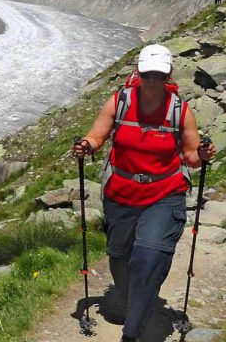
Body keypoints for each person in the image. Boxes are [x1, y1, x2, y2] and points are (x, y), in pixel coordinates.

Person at [71, 44, 217, 342]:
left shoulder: (180, 111)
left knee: (149, 254)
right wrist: (86, 146)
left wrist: (202, 155)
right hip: (121, 195)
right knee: (119, 255)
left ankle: (133, 330)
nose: (152, 81)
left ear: (168, 77)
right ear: (138, 73)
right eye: (148, 74)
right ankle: (131, 295)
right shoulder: (119, 103)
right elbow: (97, 136)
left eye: (159, 76)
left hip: (164, 193)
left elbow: (189, 156)